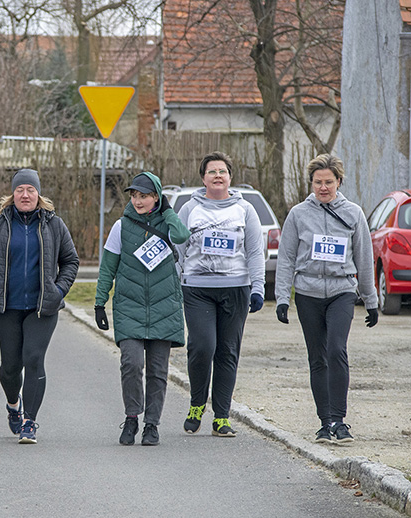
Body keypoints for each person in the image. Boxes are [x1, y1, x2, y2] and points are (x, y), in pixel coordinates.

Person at [275, 153, 378, 444]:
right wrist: (282, 297)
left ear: (339, 182)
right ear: (311, 183)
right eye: (318, 182)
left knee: (336, 350)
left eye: (329, 182)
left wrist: (370, 300)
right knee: (317, 357)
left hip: (341, 291)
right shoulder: (298, 214)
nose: (323, 187)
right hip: (307, 293)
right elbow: (286, 258)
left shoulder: (353, 213)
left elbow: (364, 258)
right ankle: (325, 422)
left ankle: (340, 420)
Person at [0, 168, 79, 444]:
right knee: (9, 367)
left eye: (30, 190)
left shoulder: (54, 224)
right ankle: (13, 405)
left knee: (33, 359)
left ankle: (30, 421)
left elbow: (71, 261)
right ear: (12, 194)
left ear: (39, 194)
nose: (25, 194)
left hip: (42, 308)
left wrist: (59, 290)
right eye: (20, 190)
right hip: (7, 307)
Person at [94, 172, 190, 446]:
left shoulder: (169, 223)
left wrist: (168, 211)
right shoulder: (121, 227)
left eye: (144, 196)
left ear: (156, 198)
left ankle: (152, 424)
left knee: (158, 371)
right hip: (129, 306)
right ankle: (132, 417)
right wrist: (100, 302)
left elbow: (182, 235)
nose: (137, 200)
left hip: (164, 306)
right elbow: (107, 268)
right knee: (131, 364)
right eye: (134, 195)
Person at [177, 151, 265, 437]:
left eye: (222, 171)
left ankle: (222, 416)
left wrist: (258, 286)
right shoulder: (190, 209)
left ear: (230, 177)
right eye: (212, 171)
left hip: (235, 288)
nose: (217, 176)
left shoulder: (245, 209)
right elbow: (177, 250)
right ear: (203, 178)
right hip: (197, 288)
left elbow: (254, 251)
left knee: (227, 351)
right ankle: (196, 404)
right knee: (202, 347)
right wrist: (175, 284)